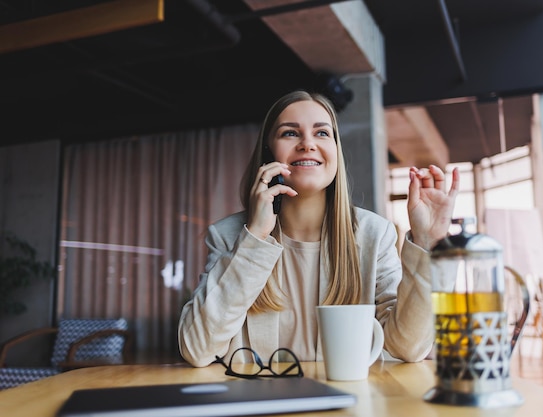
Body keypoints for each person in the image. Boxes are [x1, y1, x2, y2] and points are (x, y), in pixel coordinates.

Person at [178, 90, 459, 367]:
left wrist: (426, 241)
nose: (307, 144)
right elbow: (197, 349)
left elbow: (408, 348)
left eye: (322, 133)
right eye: (290, 133)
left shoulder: (374, 234)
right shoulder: (228, 235)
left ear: (336, 150)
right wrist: (255, 236)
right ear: (268, 152)